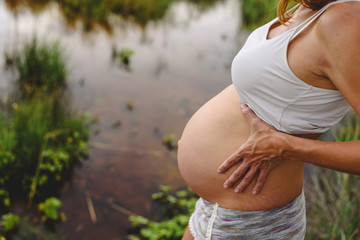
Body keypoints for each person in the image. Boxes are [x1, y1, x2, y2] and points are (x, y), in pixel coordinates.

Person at [177, 0, 360, 239]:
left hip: (250, 221)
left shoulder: (345, 19)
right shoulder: (307, 7)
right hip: (218, 207)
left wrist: (286, 147)